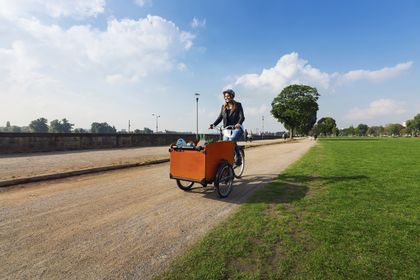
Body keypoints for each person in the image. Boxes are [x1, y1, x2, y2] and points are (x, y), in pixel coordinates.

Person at [209, 89, 245, 165]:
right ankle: (228, 162)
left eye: (228, 96)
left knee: (231, 140)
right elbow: (220, 117)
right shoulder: (223, 107)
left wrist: (239, 123)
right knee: (225, 144)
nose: (226, 97)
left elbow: (242, 117)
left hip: (237, 128)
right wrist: (213, 125)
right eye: (225, 96)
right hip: (227, 129)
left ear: (232, 96)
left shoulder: (238, 105)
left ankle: (238, 157)